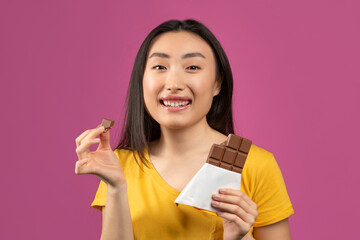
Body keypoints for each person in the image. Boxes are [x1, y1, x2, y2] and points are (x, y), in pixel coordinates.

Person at [75, 19, 294, 240]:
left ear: (217, 83)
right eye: (159, 67)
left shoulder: (257, 165)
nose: (174, 83)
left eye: (192, 67)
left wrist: (239, 237)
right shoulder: (119, 165)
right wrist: (116, 187)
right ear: (141, 81)